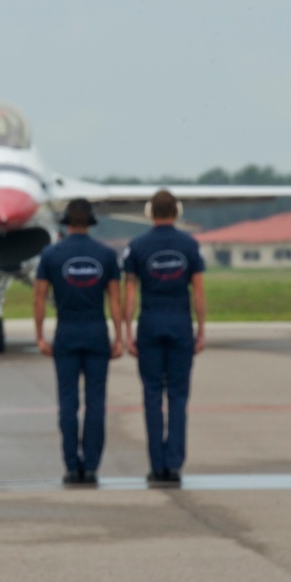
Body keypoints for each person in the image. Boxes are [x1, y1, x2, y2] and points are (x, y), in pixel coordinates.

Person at [33, 198, 123, 486]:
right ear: (91, 222)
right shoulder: (106, 255)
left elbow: (39, 297)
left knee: (68, 403)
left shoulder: (51, 254)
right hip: (96, 332)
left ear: (66, 222)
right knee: (96, 403)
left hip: (66, 333)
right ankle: (92, 467)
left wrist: (39, 335)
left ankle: (72, 467)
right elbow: (115, 299)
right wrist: (119, 336)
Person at [122, 189, 206, 487]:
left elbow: (129, 292)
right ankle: (174, 464)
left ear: (149, 213)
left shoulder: (137, 246)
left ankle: (156, 465)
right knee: (178, 397)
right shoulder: (190, 246)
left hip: (150, 323)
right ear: (178, 212)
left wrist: (126, 331)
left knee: (152, 396)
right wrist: (202, 329)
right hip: (180, 322)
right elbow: (198, 291)